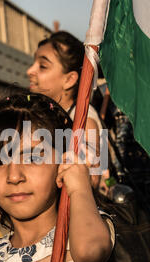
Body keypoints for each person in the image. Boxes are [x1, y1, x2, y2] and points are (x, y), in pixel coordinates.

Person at [0, 93, 115, 262]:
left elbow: (90, 252)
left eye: (32, 157)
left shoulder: (84, 231)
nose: (14, 176)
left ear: (62, 162)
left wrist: (79, 188)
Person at [26, 31, 106, 191]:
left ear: (69, 79)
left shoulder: (85, 120)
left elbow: (91, 181)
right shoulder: (45, 114)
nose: (30, 71)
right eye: (34, 62)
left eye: (42, 66)